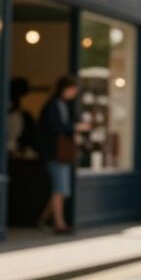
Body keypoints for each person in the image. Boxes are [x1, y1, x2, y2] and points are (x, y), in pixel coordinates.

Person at [37, 75, 87, 234]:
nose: (73, 93)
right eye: (72, 90)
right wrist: (75, 128)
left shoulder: (66, 106)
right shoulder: (53, 106)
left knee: (60, 189)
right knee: (60, 189)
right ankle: (59, 223)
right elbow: (54, 128)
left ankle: (43, 219)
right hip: (55, 153)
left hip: (63, 153)